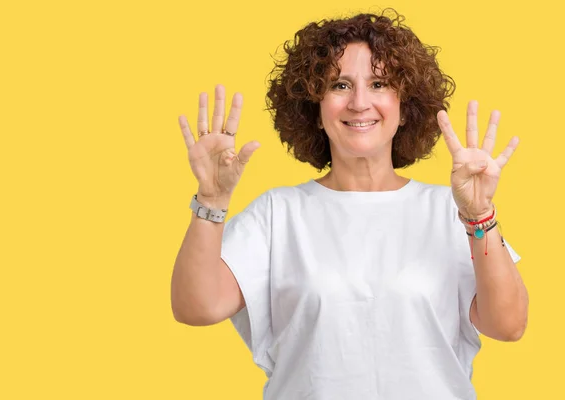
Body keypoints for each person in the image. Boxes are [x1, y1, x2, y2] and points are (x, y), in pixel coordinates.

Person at [171, 9, 528, 400]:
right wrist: (210, 200)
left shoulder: (449, 210)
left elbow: (508, 325)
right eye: (340, 85)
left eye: (378, 84)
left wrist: (479, 216)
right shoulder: (278, 214)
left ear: (404, 107)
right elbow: (197, 307)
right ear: (316, 109)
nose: (360, 103)